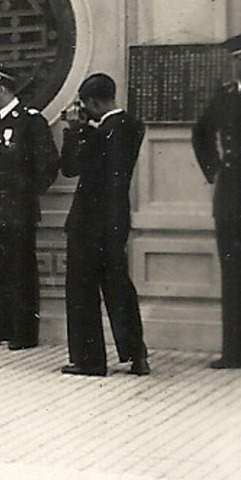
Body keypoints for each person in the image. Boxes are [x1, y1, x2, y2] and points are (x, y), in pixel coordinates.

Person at [58, 72, 149, 377]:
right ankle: (137, 356)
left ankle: (89, 360)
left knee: (82, 291)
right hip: (115, 220)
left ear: (94, 102)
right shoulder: (132, 126)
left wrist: (74, 131)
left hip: (88, 222)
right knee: (119, 288)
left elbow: (71, 168)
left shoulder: (100, 133)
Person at [0, 64, 59, 350]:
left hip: (17, 211)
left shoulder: (30, 121)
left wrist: (23, 196)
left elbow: (48, 167)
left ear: (2, 88)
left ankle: (24, 333)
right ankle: (2, 328)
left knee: (20, 270)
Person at [192, 32, 241, 370]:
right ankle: (236, 352)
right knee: (233, 272)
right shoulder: (227, 97)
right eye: (240, 62)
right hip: (231, 191)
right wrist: (214, 169)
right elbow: (201, 132)